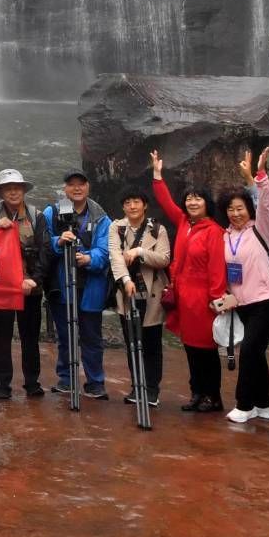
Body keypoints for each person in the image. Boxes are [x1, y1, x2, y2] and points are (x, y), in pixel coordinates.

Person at [149, 149, 227, 412]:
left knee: (206, 349)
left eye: (198, 199)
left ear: (207, 203)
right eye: (190, 199)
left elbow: (217, 267)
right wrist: (158, 176)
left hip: (204, 298)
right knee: (191, 347)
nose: (193, 203)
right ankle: (196, 393)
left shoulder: (214, 231)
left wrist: (216, 299)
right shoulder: (184, 222)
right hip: (183, 294)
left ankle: (212, 396)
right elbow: (166, 202)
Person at [214, 149, 269, 424]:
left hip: (263, 300)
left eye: (240, 208)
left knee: (249, 351)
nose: (236, 213)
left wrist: (258, 176)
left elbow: (265, 203)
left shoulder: (260, 228)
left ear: (248, 210)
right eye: (231, 209)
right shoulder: (225, 235)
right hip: (239, 302)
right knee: (256, 353)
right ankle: (263, 404)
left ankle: (244, 404)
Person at [0, 167, 51, 400]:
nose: (13, 192)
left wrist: (34, 279)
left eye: (17, 188)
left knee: (30, 337)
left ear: (23, 190)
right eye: (8, 189)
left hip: (30, 286)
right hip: (1, 288)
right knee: (1, 337)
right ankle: (2, 384)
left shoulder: (35, 215)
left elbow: (45, 250)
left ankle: (32, 382)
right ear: (0, 192)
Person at [42, 170, 111, 401]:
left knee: (91, 336)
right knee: (65, 334)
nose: (77, 188)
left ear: (88, 186)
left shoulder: (101, 217)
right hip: (62, 284)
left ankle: (95, 382)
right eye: (71, 185)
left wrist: (90, 259)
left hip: (91, 284)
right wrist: (59, 241)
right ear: (65, 189)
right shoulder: (52, 212)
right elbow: (45, 242)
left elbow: (106, 249)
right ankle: (66, 378)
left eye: (81, 184)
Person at [108, 184, 169, 407]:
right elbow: (115, 256)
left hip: (152, 295)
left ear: (144, 205)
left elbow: (164, 259)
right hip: (127, 293)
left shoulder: (157, 229)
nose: (132, 206)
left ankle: (151, 389)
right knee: (132, 341)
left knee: (152, 343)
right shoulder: (117, 228)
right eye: (127, 203)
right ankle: (137, 386)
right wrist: (125, 280)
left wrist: (140, 252)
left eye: (136, 202)